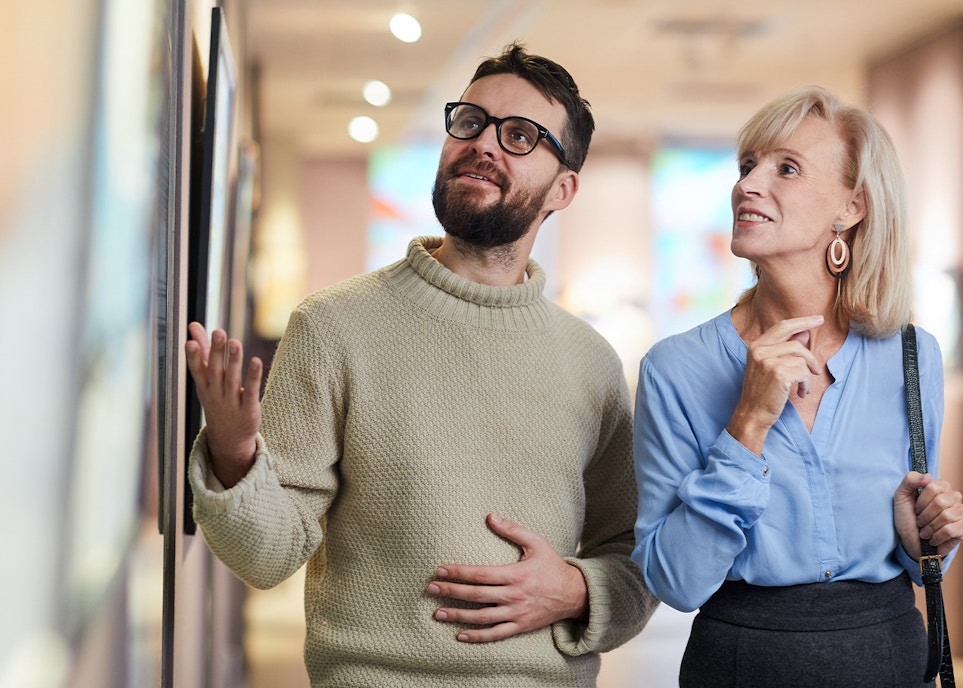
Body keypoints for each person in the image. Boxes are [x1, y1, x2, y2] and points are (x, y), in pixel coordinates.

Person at [185, 42, 658, 687]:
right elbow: (266, 556)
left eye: (520, 136)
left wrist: (574, 591)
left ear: (564, 188)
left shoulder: (592, 364)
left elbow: (635, 562)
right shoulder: (333, 326)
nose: (484, 144)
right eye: (471, 121)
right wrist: (235, 455)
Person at [630, 86, 963, 687]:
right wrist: (747, 425)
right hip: (739, 666)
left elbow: (921, 561)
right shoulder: (674, 368)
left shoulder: (913, 356)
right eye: (746, 166)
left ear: (853, 206)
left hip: (890, 658)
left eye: (786, 167)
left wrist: (928, 539)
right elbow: (676, 584)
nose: (747, 184)